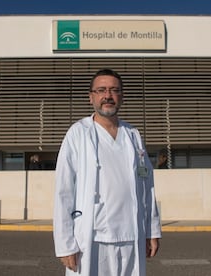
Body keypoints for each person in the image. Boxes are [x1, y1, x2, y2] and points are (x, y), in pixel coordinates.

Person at [53, 69, 161, 275]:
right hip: (93, 237)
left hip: (131, 235)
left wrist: (151, 230)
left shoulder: (133, 135)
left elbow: (147, 185)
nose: (107, 96)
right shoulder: (78, 133)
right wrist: (64, 243)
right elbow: (63, 191)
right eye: (101, 90)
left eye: (114, 90)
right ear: (91, 96)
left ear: (121, 96)